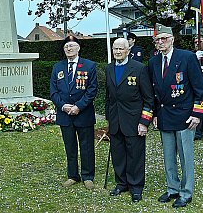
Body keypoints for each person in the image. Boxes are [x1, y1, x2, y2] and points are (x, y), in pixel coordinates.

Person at [148, 25, 203, 208]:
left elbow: (199, 88)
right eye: (157, 40)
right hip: (165, 115)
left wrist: (197, 113)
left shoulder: (187, 57)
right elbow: (155, 91)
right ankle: (172, 188)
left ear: (172, 39)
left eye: (164, 38)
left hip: (185, 116)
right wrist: (155, 113)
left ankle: (186, 192)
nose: (160, 42)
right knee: (168, 157)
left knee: (185, 157)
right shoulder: (153, 62)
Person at [105, 38, 154, 203]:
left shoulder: (139, 68)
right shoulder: (109, 68)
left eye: (121, 49)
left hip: (134, 121)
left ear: (128, 51)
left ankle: (136, 187)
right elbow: (108, 97)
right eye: (115, 49)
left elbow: (149, 98)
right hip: (115, 120)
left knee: (135, 155)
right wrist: (108, 118)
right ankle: (121, 183)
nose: (117, 52)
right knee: (118, 154)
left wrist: (144, 122)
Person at [50, 35, 98, 190]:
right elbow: (53, 91)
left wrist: (78, 106)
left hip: (83, 114)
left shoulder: (89, 66)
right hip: (65, 115)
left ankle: (88, 176)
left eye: (72, 46)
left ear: (78, 48)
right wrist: (63, 106)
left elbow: (92, 90)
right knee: (70, 147)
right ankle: (72, 176)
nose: (69, 49)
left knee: (87, 147)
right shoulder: (57, 67)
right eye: (66, 47)